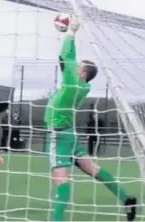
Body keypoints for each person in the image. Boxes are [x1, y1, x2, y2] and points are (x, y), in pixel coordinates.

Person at [44, 15, 137, 221]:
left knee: (61, 180)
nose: (75, 66)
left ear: (83, 73)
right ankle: (126, 198)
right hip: (70, 133)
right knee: (91, 168)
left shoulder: (73, 83)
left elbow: (65, 56)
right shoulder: (79, 85)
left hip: (58, 135)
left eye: (79, 66)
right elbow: (66, 62)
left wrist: (70, 32)